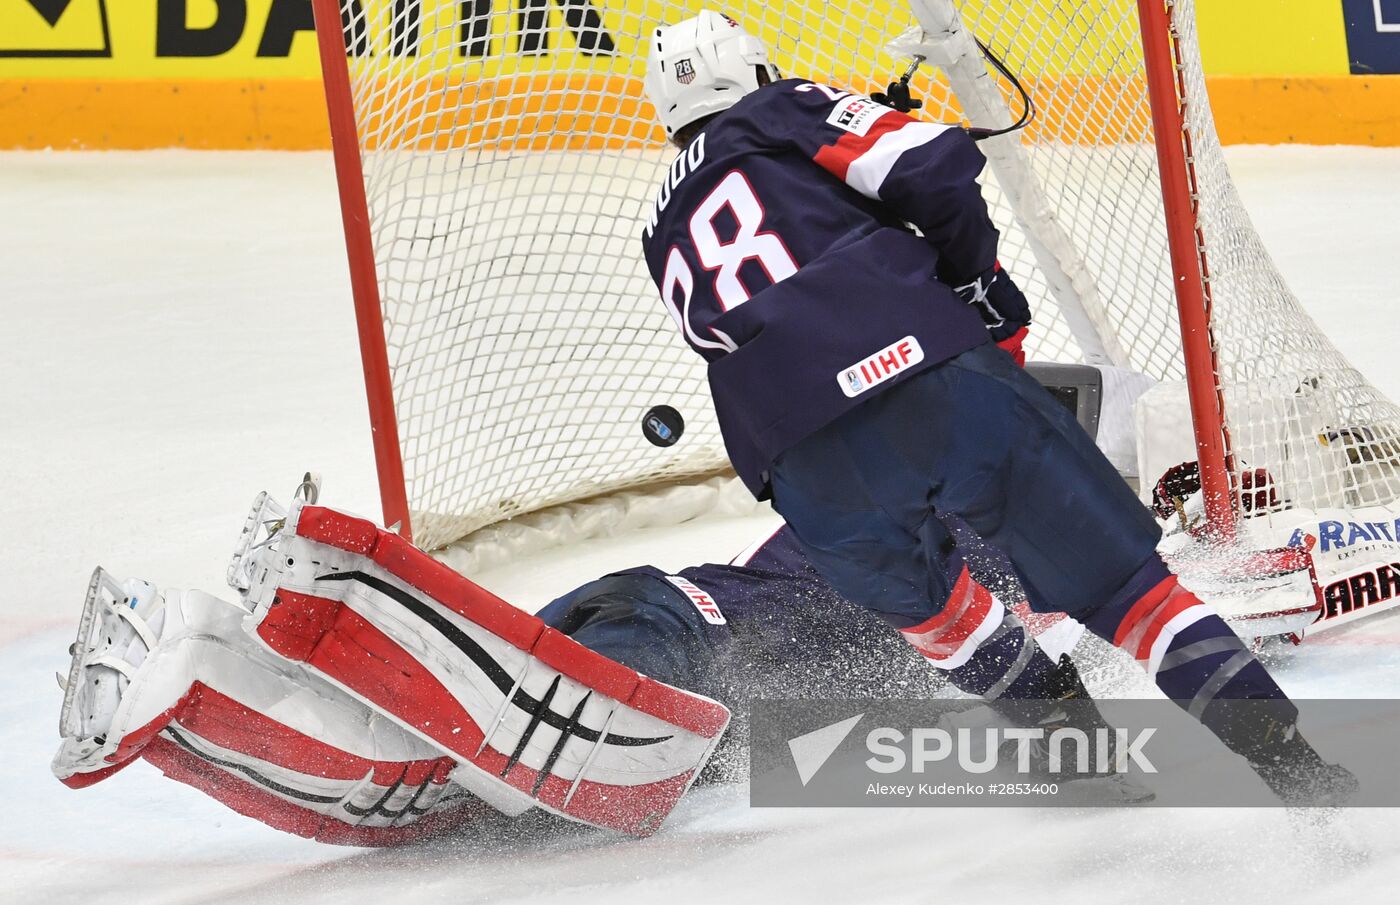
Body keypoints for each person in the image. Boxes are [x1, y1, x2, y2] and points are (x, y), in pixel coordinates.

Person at [637, 10, 1352, 802]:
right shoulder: (779, 107)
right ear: (756, 72)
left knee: (945, 621)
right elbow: (931, 166)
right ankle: (1301, 773)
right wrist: (976, 282)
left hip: (803, 462)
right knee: (1133, 596)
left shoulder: (657, 226)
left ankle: (1085, 769)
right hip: (929, 378)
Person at [52, 491, 1144, 847]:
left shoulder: (874, 519)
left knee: (435, 777)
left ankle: (183, 654)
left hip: (638, 614)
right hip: (676, 644)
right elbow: (1058, 636)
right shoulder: (964, 566)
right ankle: (321, 598)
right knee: (463, 767)